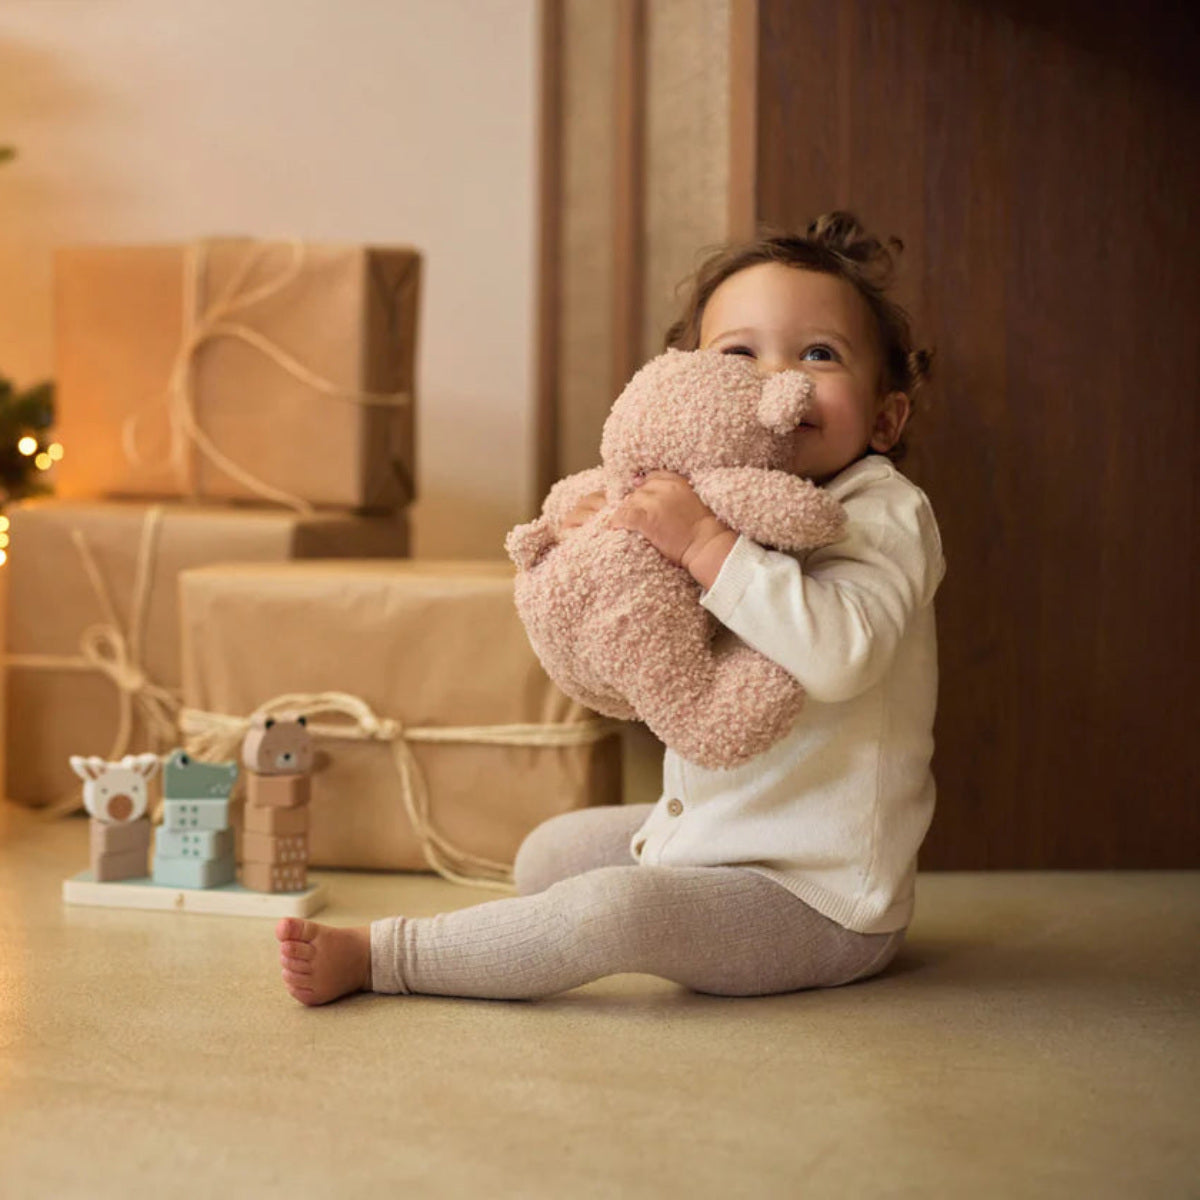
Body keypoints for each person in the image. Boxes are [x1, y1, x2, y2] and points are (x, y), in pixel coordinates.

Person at [275, 211, 945, 1005]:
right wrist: (609, 550)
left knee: (609, 912)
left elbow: (844, 655)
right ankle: (550, 924)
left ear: (884, 417)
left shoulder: (881, 512)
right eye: (739, 354)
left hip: (817, 897)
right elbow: (669, 671)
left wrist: (703, 546)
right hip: (717, 836)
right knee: (547, 853)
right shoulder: (706, 494)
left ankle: (389, 957)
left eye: (819, 354)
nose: (775, 380)